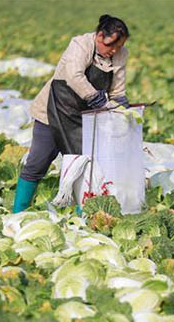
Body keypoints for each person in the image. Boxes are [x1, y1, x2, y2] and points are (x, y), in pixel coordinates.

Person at [13, 15, 130, 213]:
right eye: (111, 45)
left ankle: (82, 217)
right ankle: (18, 213)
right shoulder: (81, 44)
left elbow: (117, 88)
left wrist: (121, 104)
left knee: (84, 168)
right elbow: (74, 75)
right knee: (37, 163)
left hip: (87, 119)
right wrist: (94, 96)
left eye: (119, 47)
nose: (114, 51)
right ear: (100, 36)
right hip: (53, 113)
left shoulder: (120, 54)